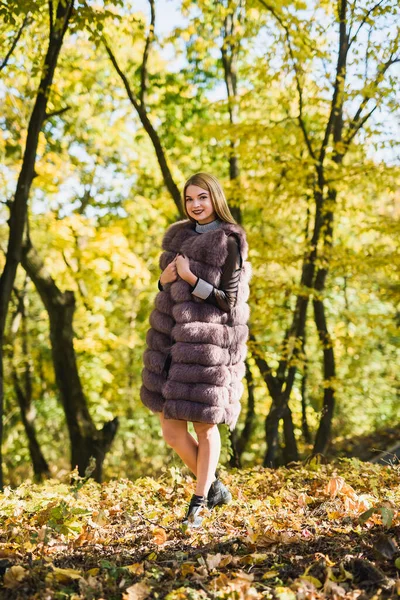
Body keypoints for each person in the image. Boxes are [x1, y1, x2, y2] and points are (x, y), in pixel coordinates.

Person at [140, 172, 251, 528]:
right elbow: (166, 288)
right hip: (171, 346)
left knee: (205, 429)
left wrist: (190, 279)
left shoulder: (229, 240)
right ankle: (215, 487)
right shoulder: (179, 237)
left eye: (202, 197)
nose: (195, 205)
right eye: (190, 199)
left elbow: (228, 301)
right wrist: (165, 279)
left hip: (207, 349)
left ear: (215, 198)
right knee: (172, 433)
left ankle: (199, 501)